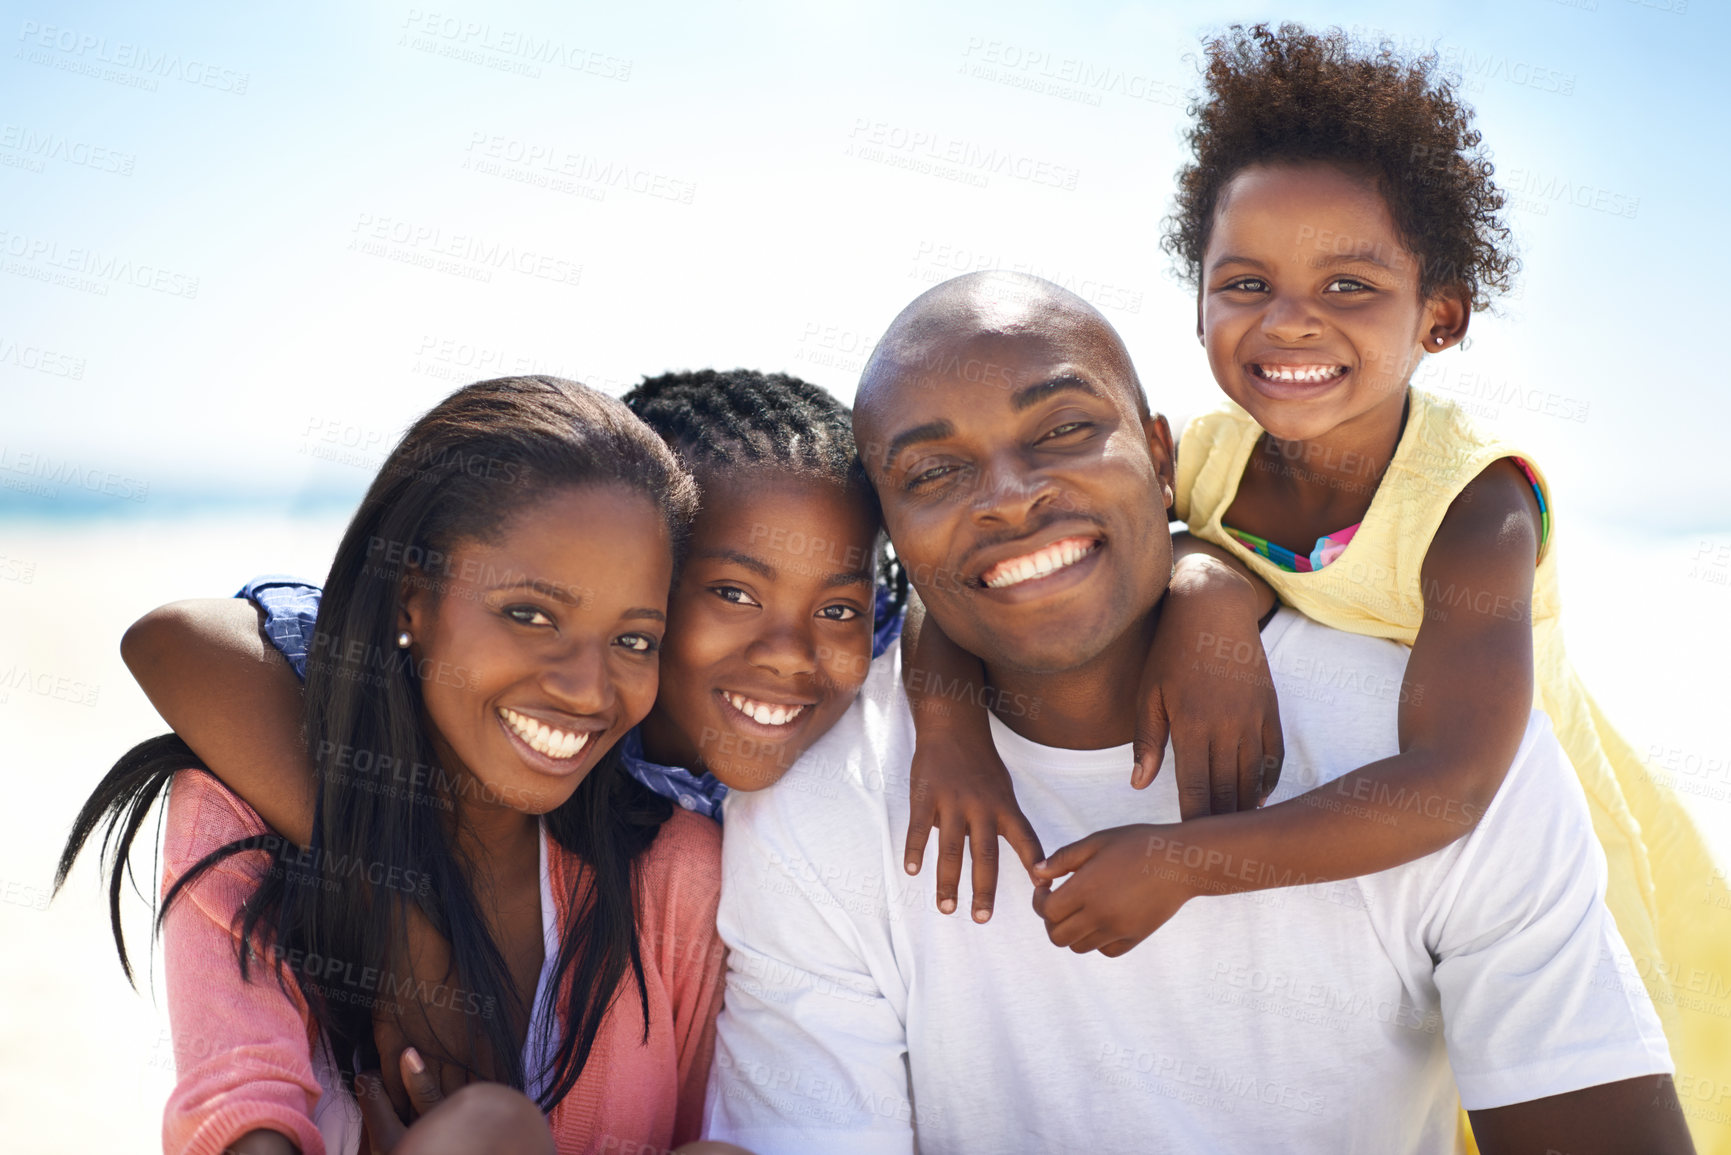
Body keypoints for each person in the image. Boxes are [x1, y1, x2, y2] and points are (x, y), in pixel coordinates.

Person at [704, 271, 1690, 1154]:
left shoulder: (1417, 738)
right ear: (894, 537)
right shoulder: (817, 809)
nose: (1010, 497)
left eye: (1061, 430)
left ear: (1165, 456)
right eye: (934, 474)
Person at [55, 377, 726, 1154]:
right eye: (529, 614)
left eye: (633, 639)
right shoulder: (239, 811)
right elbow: (239, 1115)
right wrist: (401, 916)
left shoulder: (675, 873)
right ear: (413, 598)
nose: (587, 687)